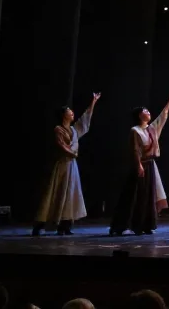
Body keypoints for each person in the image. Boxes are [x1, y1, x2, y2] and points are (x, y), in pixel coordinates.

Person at [110, 89, 169, 236]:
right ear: (140, 115)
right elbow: (135, 150)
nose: (148, 112)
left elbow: (163, 116)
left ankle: (146, 225)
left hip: (151, 165)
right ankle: (126, 225)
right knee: (135, 195)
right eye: (145, 111)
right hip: (141, 165)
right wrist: (138, 165)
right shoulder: (135, 131)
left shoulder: (151, 129)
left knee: (149, 195)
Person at [33, 92, 100, 236]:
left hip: (71, 165)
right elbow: (61, 145)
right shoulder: (58, 129)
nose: (72, 113)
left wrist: (93, 102)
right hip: (62, 165)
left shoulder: (74, 130)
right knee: (55, 193)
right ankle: (40, 224)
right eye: (69, 112)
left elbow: (85, 119)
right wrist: (72, 153)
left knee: (70, 194)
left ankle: (65, 225)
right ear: (63, 115)